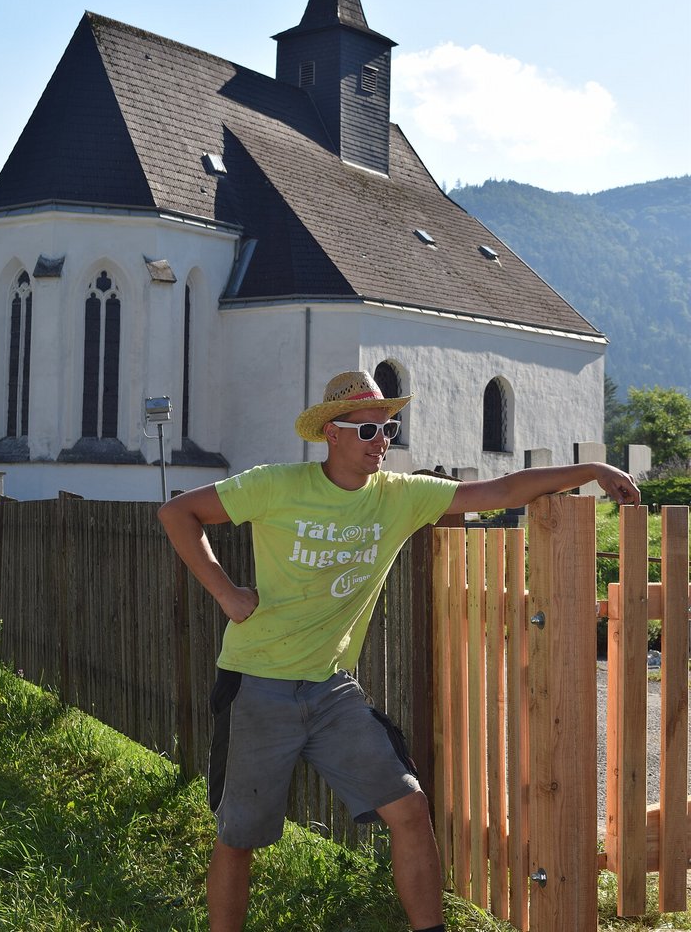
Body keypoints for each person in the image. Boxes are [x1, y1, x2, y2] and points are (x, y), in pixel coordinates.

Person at [158, 370, 639, 932]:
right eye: (367, 430)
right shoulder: (275, 485)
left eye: (387, 429)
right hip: (256, 685)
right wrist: (226, 593)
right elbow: (177, 513)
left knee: (410, 809)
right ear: (331, 434)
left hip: (332, 690)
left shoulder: (400, 496)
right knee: (240, 836)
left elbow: (502, 491)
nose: (381, 441)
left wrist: (592, 471)